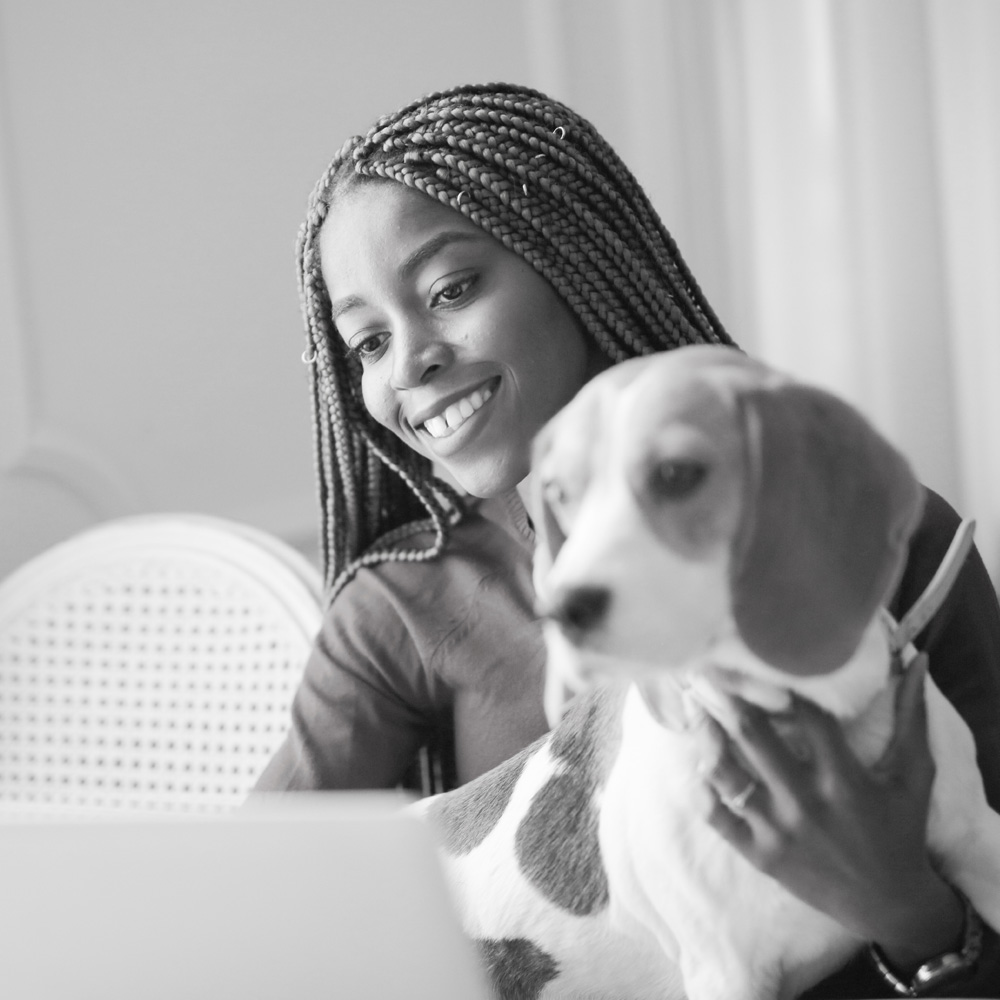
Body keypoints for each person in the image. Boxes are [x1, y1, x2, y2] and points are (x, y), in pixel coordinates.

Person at [255, 83, 1000, 996]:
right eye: (366, 343)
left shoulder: (874, 533)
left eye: (451, 290)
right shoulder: (398, 602)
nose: (409, 361)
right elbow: (251, 897)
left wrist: (901, 907)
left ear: (568, 259)